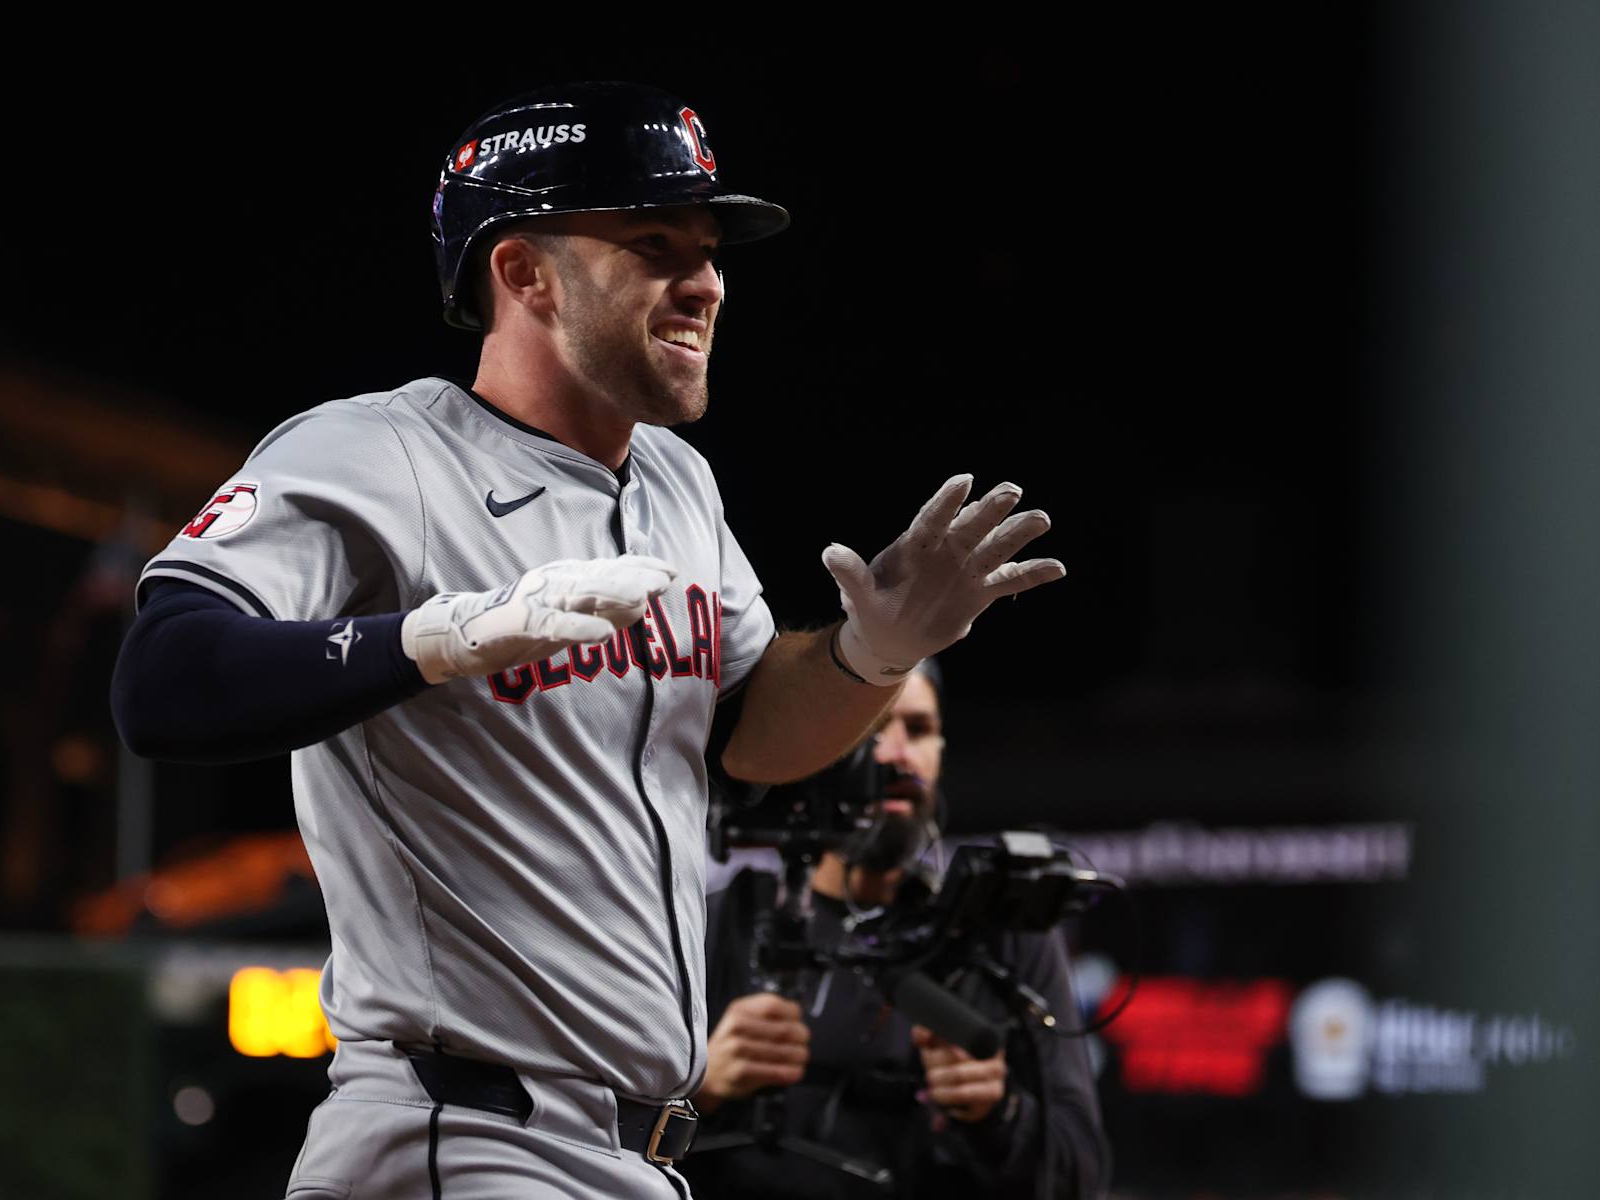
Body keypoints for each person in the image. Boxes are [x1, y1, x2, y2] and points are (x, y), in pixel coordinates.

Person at [110, 81, 1064, 1200]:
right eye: (654, 243)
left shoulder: (676, 480)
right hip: (459, 1130)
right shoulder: (379, 454)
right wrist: (427, 640)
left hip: (636, 1149)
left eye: (708, 251)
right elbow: (161, 684)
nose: (704, 281)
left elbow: (751, 732)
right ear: (523, 273)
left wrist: (870, 652)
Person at [682, 663, 1111, 1199]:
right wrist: (697, 1090)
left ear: (940, 752)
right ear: (818, 753)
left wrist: (999, 1114)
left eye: (919, 729)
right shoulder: (721, 921)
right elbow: (601, 1138)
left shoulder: (999, 934)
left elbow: (1082, 1176)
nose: (896, 753)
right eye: (871, 730)